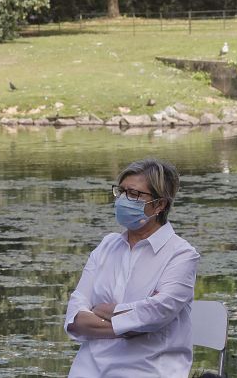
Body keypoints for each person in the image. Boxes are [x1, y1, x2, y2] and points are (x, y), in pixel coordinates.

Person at [64, 158, 200, 377]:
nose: (124, 200)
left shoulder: (181, 255)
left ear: (159, 204)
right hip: (88, 369)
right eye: (121, 191)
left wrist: (102, 310)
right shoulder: (107, 245)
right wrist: (132, 324)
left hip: (147, 369)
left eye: (134, 194)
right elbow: (75, 317)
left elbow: (158, 312)